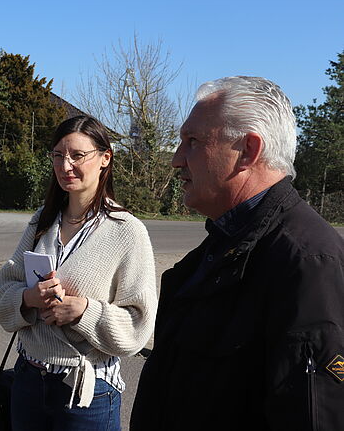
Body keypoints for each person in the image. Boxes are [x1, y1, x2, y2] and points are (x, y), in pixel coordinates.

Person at [130, 76, 344, 431]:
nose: (176, 160)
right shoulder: (222, 245)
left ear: (248, 150)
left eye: (192, 142)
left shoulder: (308, 266)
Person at [0, 115, 158, 430]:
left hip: (87, 395)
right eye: (58, 155)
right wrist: (29, 297)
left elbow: (139, 325)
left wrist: (85, 312)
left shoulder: (127, 231)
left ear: (104, 159)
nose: (65, 165)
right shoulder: (41, 222)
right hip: (28, 381)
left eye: (77, 156)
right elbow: (2, 294)